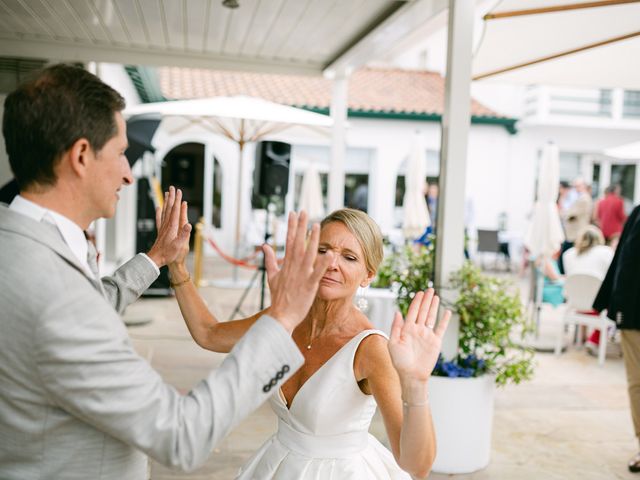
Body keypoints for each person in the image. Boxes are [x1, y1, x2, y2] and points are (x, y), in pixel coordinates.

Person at [0, 63, 332, 479]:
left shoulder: (17, 240)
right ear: (81, 155)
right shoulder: (54, 292)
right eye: (121, 152)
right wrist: (282, 318)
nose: (127, 173)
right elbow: (182, 437)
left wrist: (155, 258)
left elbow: (83, 307)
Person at [168, 208, 451, 479]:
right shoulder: (285, 317)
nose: (332, 263)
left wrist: (416, 384)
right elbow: (209, 334)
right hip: (278, 465)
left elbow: (417, 465)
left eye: (349, 257)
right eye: (323, 250)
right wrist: (178, 266)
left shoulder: (370, 349)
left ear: (368, 275)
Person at [593, 205, 640, 472]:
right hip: (635, 315)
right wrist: (614, 306)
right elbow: (624, 260)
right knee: (637, 382)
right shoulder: (637, 213)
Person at [563, 225, 614, 349]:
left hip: (575, 303)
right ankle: (594, 340)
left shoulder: (568, 254)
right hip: (598, 305)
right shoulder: (606, 252)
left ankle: (583, 337)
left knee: (585, 293)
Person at [558, 177, 593, 274]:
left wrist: (562, 213)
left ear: (584, 186)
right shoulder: (579, 198)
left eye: (578, 186)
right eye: (575, 186)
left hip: (576, 234)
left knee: (565, 257)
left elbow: (570, 214)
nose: (576, 188)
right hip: (573, 234)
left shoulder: (583, 199)